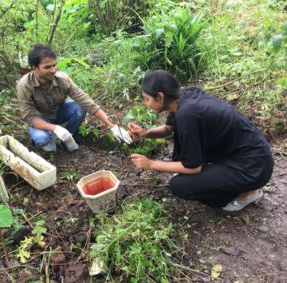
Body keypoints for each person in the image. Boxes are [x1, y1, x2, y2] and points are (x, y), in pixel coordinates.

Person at [128, 70, 274, 211]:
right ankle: (227, 180)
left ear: (160, 97)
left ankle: (247, 193)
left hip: (253, 168)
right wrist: (145, 133)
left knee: (180, 185)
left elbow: (193, 167)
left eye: (147, 99)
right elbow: (168, 129)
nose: (145, 103)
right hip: (248, 154)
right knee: (183, 166)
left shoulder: (186, 114)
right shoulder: (183, 96)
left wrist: (151, 164)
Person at [16, 44, 132, 152]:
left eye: (54, 65)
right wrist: (55, 128)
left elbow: (86, 101)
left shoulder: (62, 79)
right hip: (40, 119)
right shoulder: (24, 85)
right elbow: (30, 117)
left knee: (80, 107)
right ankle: (51, 137)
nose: (53, 70)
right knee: (42, 139)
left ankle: (67, 136)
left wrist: (112, 126)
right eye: (47, 67)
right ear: (35, 68)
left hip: (59, 112)